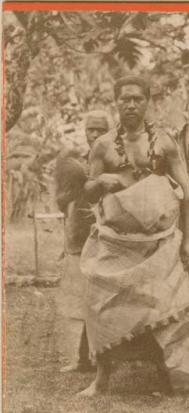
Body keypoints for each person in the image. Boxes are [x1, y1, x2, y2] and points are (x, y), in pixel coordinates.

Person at [78, 76, 189, 396]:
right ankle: (101, 378)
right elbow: (88, 192)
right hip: (115, 242)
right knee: (100, 307)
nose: (131, 105)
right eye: (125, 99)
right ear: (116, 102)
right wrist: (104, 179)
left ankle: (168, 378)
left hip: (157, 244)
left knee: (163, 309)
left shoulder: (163, 143)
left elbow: (188, 195)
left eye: (137, 99)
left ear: (147, 101)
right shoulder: (103, 145)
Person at [55, 111, 111, 372]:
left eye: (101, 129)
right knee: (82, 298)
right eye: (92, 130)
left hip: (108, 237)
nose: (96, 135)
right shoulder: (75, 163)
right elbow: (61, 200)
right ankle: (83, 358)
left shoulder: (112, 161)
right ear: (86, 132)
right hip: (80, 236)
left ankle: (99, 357)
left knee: (101, 298)